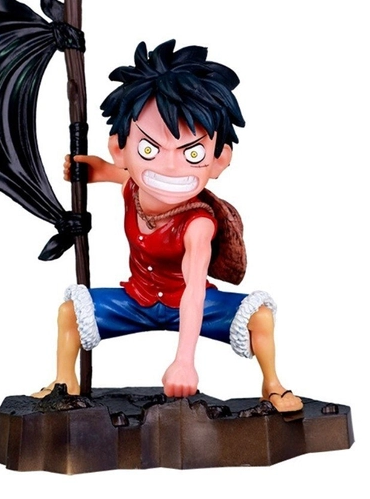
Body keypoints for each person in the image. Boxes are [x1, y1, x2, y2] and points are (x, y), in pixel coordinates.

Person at [34, 40, 302, 412]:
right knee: (70, 314)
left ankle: (272, 384)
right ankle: (65, 382)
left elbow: (194, 291)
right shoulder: (133, 186)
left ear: (219, 160)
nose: (170, 167)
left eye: (193, 153)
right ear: (121, 149)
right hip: (137, 300)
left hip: (189, 305)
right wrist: (90, 170)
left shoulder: (198, 225)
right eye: (149, 149)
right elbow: (112, 172)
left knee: (260, 318)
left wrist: (184, 360)